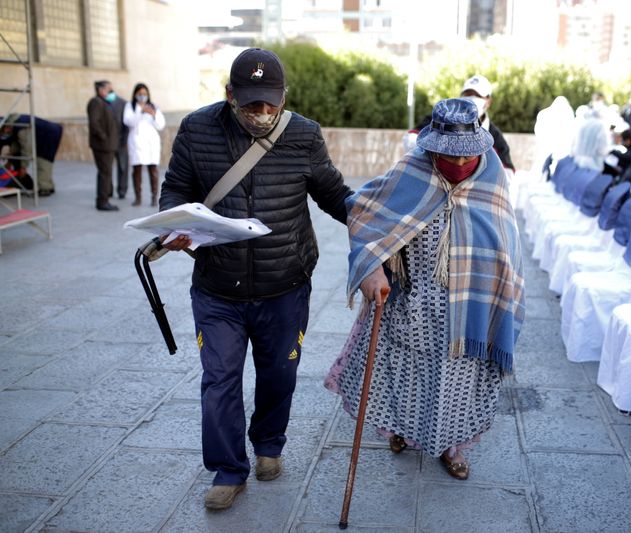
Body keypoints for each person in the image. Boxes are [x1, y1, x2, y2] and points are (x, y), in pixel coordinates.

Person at [159, 48, 353, 511]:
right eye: (251, 105)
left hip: (284, 283)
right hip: (217, 286)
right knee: (219, 379)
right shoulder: (197, 129)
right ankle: (228, 470)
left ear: (284, 97)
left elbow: (333, 194)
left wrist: (377, 227)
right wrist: (173, 226)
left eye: (271, 103)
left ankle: (269, 444)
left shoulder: (303, 135)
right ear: (229, 96)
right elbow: (176, 187)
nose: (262, 113)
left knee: (278, 372)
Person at [325, 98, 525, 481]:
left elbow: (504, 235)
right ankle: (402, 430)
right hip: (413, 302)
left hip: (470, 310)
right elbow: (365, 212)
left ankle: (453, 447)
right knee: (407, 373)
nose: (459, 165)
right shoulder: (412, 169)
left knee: (459, 382)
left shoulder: (492, 171)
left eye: (466, 157)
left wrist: (504, 289)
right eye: (450, 158)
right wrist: (373, 266)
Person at [410, 75, 515, 171]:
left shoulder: (495, 136)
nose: (472, 98)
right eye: (468, 94)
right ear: (461, 97)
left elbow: (508, 172)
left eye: (478, 95)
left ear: (488, 101)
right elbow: (410, 138)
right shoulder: (440, 119)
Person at [123, 83, 166, 206]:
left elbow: (161, 125)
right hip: (136, 142)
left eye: (145, 94)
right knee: (137, 170)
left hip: (151, 143)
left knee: (153, 170)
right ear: (135, 94)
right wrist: (141, 112)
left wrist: (153, 115)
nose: (142, 96)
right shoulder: (130, 106)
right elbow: (128, 121)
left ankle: (154, 197)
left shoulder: (154, 106)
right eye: (140, 94)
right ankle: (138, 198)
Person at [0, 113, 63, 195]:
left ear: (6, 126)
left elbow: (27, 147)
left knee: (43, 161)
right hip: (42, 134)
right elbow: (16, 146)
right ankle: (48, 185)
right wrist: (10, 160)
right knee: (41, 160)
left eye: (4, 130)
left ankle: (45, 188)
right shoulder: (14, 123)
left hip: (48, 134)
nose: (5, 132)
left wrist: (23, 167)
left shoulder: (21, 125)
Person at [87, 80, 120, 211]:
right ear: (101, 90)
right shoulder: (96, 102)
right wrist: (104, 138)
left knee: (106, 172)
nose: (112, 92)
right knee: (105, 173)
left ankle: (105, 197)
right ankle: (102, 201)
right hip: (103, 146)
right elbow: (94, 123)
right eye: (109, 90)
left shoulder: (105, 102)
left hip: (108, 145)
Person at [107, 84, 129, 200]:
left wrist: (124, 140)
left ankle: (122, 190)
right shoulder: (103, 103)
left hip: (121, 142)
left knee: (123, 167)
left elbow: (126, 124)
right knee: (107, 168)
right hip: (108, 142)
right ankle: (108, 190)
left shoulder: (123, 103)